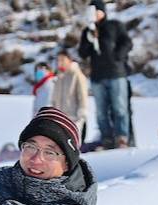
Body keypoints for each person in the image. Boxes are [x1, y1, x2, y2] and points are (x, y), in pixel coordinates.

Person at [78, 0, 132, 149]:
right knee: (101, 111)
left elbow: (127, 42)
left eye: (96, 10)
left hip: (116, 73)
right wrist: (89, 37)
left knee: (119, 108)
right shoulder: (88, 31)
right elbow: (82, 53)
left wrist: (118, 56)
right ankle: (106, 138)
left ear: (103, 11)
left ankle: (122, 138)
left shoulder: (114, 26)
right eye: (91, 11)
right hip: (97, 76)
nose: (94, 14)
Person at [52, 49, 89, 137]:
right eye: (58, 60)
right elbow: (54, 98)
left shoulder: (77, 75)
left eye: (62, 60)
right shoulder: (59, 77)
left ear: (69, 60)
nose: (60, 62)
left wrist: (82, 111)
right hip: (59, 118)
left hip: (73, 118)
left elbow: (82, 95)